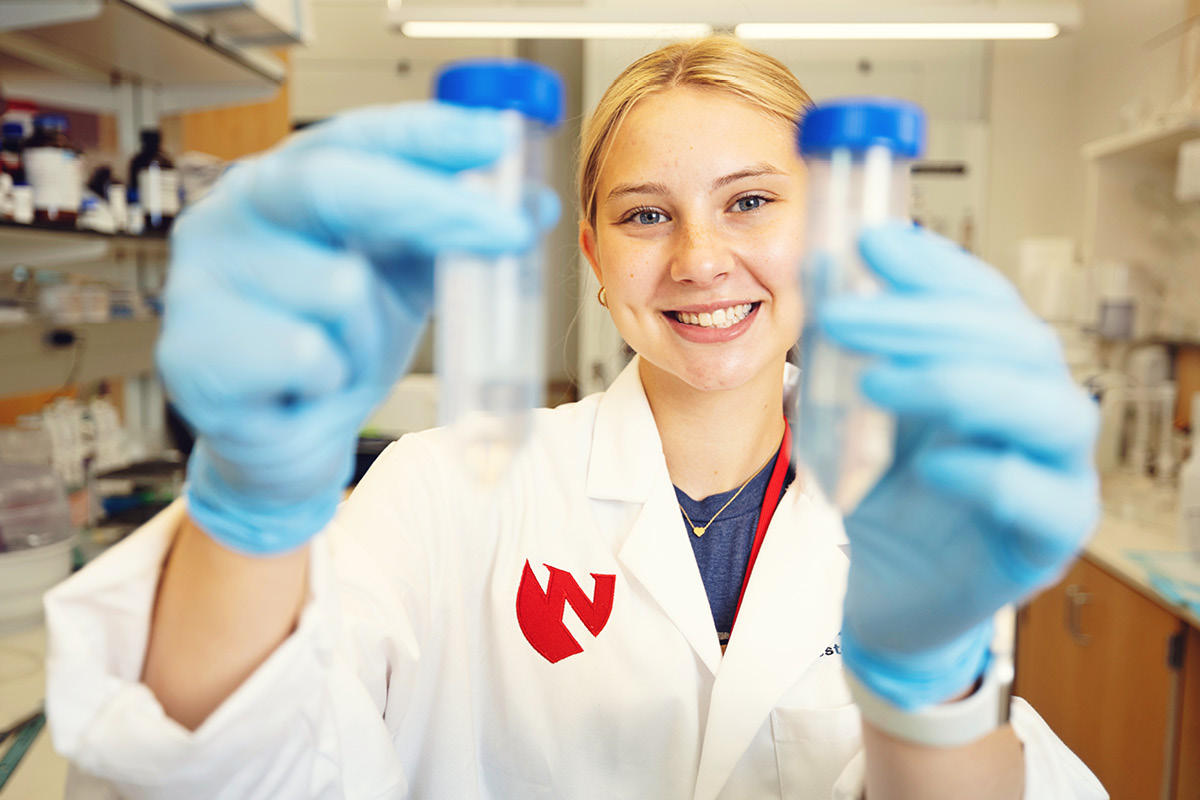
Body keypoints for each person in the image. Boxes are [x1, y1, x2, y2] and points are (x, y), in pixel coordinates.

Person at [45, 37, 1107, 799]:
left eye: (749, 200)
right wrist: (244, 499)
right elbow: (218, 767)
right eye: (647, 214)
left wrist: (932, 691)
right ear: (595, 259)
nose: (698, 258)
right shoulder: (440, 487)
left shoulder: (914, 505)